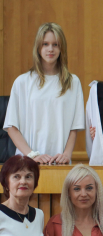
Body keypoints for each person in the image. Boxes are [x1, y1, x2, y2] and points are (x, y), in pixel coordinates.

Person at [4, 22, 84, 164]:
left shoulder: (73, 82)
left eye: (55, 44)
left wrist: (66, 155)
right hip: (27, 162)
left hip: (60, 162)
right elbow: (11, 127)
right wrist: (32, 155)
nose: (50, 49)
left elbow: (74, 127)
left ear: (61, 48)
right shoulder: (22, 82)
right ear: (38, 47)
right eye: (45, 44)